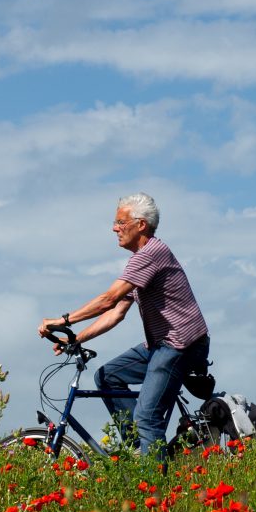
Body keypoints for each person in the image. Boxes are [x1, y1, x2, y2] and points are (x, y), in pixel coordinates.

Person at [36, 192, 209, 459]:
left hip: (181, 345)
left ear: (141, 224)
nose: (114, 228)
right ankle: (138, 450)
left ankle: (152, 488)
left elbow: (108, 299)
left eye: (120, 222)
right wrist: (75, 339)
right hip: (160, 344)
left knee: (147, 416)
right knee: (107, 377)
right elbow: (116, 313)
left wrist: (62, 320)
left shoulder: (151, 254)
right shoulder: (141, 260)